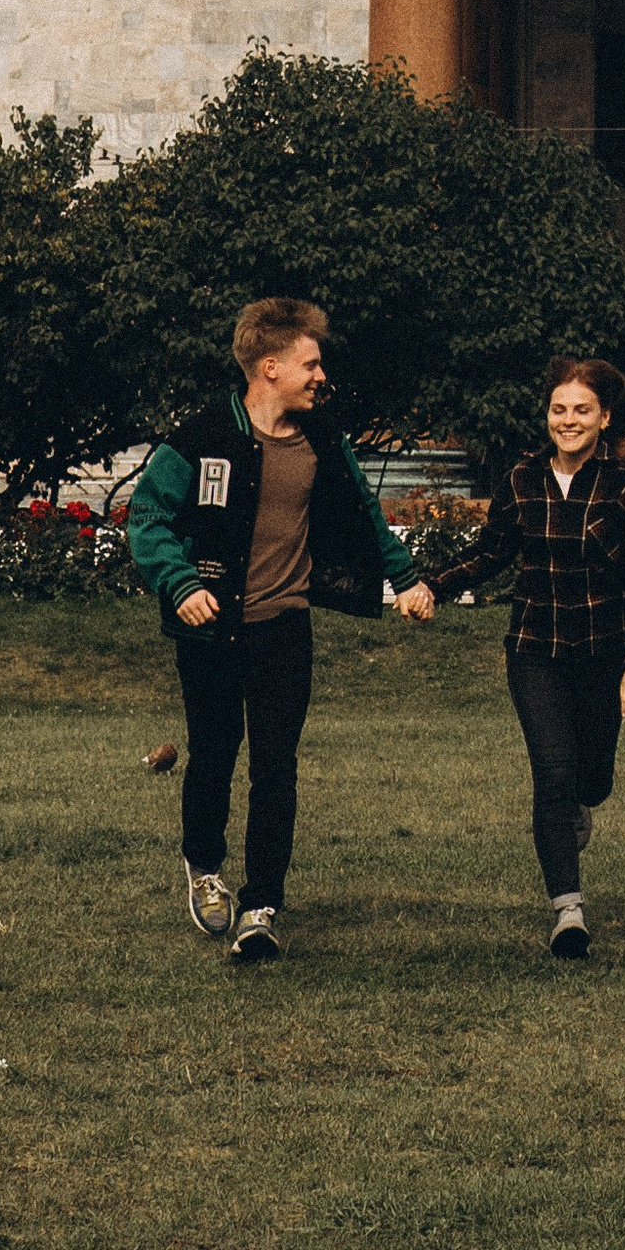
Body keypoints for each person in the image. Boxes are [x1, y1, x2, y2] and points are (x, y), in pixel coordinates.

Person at [127, 296, 435, 965]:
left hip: (284, 630)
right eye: (311, 363)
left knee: (276, 767)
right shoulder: (202, 438)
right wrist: (180, 585)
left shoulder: (323, 440)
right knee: (213, 755)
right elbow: (146, 516)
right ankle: (205, 869)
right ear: (269, 367)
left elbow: (363, 514)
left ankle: (261, 907)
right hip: (211, 631)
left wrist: (406, 580)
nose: (321, 375)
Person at [427, 359, 625, 964]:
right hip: (534, 653)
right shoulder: (521, 481)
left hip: (602, 657)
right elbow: (492, 554)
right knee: (553, 775)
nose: (569, 420)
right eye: (559, 410)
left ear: (604, 418)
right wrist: (431, 584)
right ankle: (568, 910)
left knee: (592, 780)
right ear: (547, 417)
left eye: (582, 410)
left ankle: (580, 805)